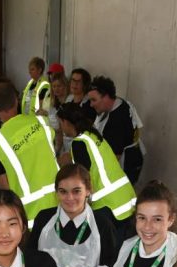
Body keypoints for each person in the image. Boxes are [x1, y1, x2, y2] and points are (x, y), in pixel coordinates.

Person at [57, 102, 136, 244]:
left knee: (112, 254)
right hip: (126, 198)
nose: (61, 127)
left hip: (109, 206)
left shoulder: (79, 143)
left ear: (66, 122)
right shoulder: (93, 135)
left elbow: (82, 178)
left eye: (60, 123)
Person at [0, 80, 59, 229]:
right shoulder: (41, 123)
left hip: (27, 216)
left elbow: (4, 186)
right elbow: (57, 145)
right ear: (16, 100)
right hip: (58, 203)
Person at [88, 75, 144, 185]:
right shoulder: (118, 102)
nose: (91, 104)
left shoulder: (117, 120)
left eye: (94, 100)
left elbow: (114, 158)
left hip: (126, 163)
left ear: (106, 97)